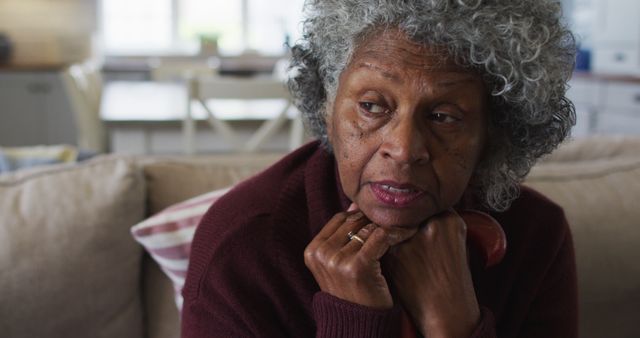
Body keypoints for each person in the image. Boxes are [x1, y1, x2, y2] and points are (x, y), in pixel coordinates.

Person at [181, 0, 578, 337]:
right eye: (371, 106)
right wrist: (356, 322)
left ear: (492, 133)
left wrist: (455, 324)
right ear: (327, 106)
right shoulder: (242, 249)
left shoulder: (536, 236)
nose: (404, 150)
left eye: (443, 116)